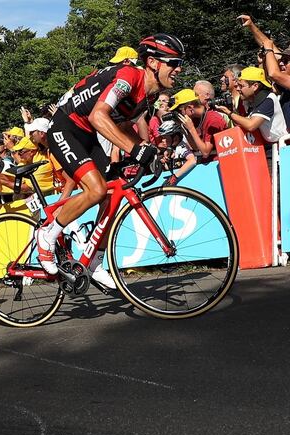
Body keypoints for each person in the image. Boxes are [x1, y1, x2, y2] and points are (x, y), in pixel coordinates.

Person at [39, 33, 185, 290]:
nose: (178, 69)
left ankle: (94, 260)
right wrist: (135, 150)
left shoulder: (150, 96)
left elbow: (124, 126)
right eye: (172, 62)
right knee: (95, 190)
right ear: (153, 62)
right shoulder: (128, 77)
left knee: (111, 195)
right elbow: (98, 116)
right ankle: (47, 233)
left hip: (89, 135)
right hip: (65, 127)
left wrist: (145, 151)